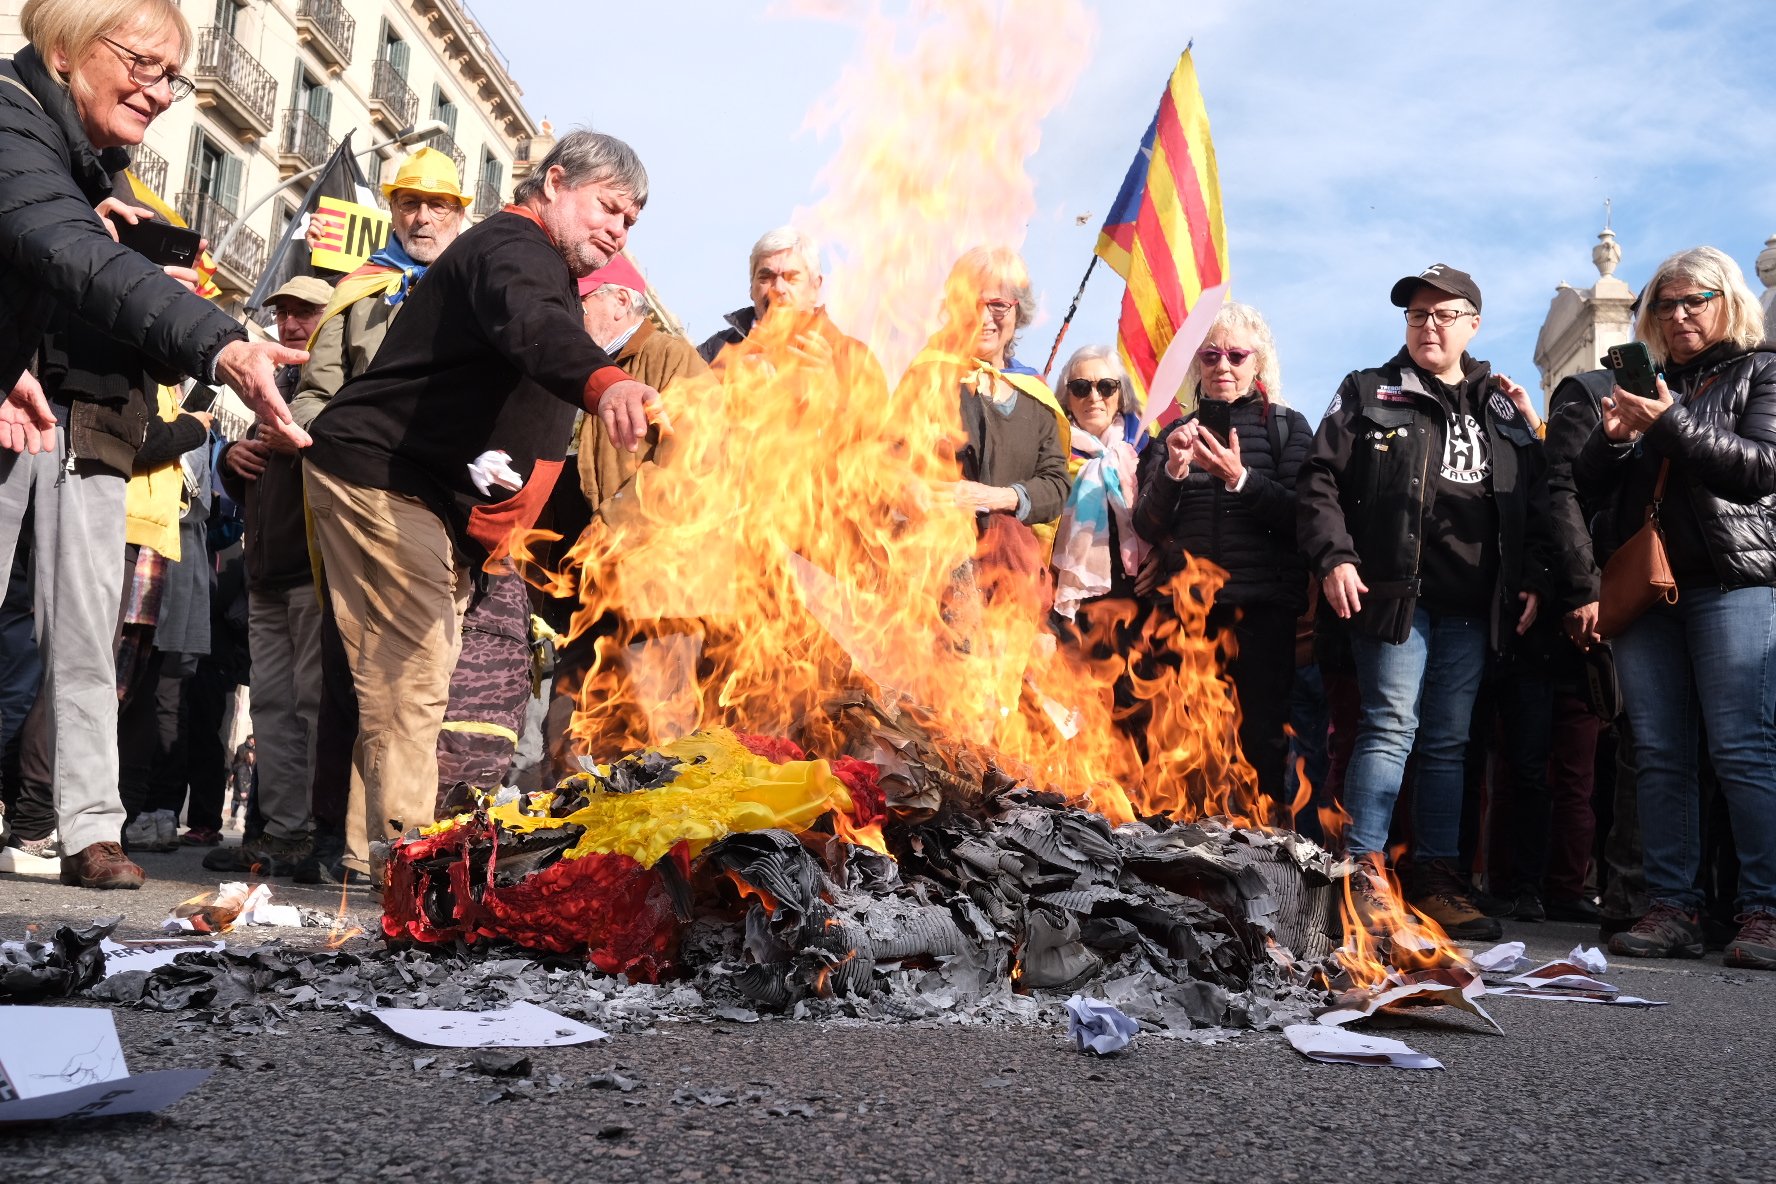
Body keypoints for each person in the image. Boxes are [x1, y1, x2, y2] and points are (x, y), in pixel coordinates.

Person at [302, 130, 662, 882]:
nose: (619, 230)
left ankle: (375, 857)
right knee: (414, 670)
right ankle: (411, 866)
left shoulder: (543, 266)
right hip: (382, 476)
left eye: (631, 222)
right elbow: (535, 327)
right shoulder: (516, 248)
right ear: (555, 182)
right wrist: (607, 384)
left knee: (395, 677)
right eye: (609, 208)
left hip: (429, 497)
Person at [0, 0, 303, 889]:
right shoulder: (11, 122)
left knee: (88, 637)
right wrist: (225, 341)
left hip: (83, 416)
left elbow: (84, 276)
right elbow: (61, 251)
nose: (163, 91)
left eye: (175, 75)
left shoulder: (106, 171)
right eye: (144, 64)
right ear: (65, 50)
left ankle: (86, 826)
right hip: (19, 400)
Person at [1298, 264, 1550, 941]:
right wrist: (1335, 556)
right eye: (1416, 315)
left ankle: (1438, 880)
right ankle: (1365, 876)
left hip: (1473, 607)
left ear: (1473, 322)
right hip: (1394, 603)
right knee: (1390, 726)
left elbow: (1528, 497)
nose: (1428, 326)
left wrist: (1528, 576)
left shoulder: (1499, 403)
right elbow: (1317, 478)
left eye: (1443, 315)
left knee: (1448, 743)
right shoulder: (1366, 391)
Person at [1575, 246, 1776, 971]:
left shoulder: (1763, 370)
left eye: (1697, 300)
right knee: (1659, 756)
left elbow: (1758, 470)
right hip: (1649, 592)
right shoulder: (1648, 383)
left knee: (1743, 751)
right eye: (1667, 304)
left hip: (1733, 584)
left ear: (1728, 302)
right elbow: (1589, 486)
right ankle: (1672, 909)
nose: (1681, 315)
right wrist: (1613, 439)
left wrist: (1665, 424)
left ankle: (1765, 912)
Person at [287, 148, 472, 883]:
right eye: (407, 203)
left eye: (437, 204)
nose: (421, 216)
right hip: (362, 491)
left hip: (446, 503)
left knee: (402, 677)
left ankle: (380, 851)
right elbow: (316, 388)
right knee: (385, 675)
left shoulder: (477, 287)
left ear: (461, 212)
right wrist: (327, 447)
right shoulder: (361, 290)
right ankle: (396, 854)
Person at [1132, 303, 1312, 810]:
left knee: (1261, 743)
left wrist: (1242, 478)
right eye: (1211, 355)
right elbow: (1147, 525)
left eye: (1236, 354)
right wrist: (1172, 472)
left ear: (1258, 363)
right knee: (1183, 743)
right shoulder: (1172, 434)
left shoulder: (1287, 427)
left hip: (1262, 611)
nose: (1223, 366)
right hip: (1186, 614)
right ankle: (1185, 855)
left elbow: (1305, 515)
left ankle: (1266, 850)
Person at [209, 276, 332, 874]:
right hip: (267, 574)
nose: (290, 325)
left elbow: (350, 458)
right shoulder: (271, 385)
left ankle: (314, 833)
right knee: (274, 709)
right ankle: (284, 833)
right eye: (284, 314)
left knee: (310, 704)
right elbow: (249, 474)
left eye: (305, 314)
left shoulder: (337, 389)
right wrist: (233, 461)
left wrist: (304, 445)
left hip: (312, 571)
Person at [576, 254, 708, 518]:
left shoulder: (672, 357)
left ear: (621, 302)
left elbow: (694, 459)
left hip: (635, 551)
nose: (569, 316)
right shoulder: (575, 365)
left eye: (580, 304)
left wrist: (612, 524)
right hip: (568, 550)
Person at [1051, 345, 1148, 621]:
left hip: (1137, 605)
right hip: (1071, 612)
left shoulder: (1147, 448)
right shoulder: (1049, 453)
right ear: (1067, 398)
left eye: (1106, 387)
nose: (1094, 397)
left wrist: (1161, 557)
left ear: (1121, 395)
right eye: (1081, 387)